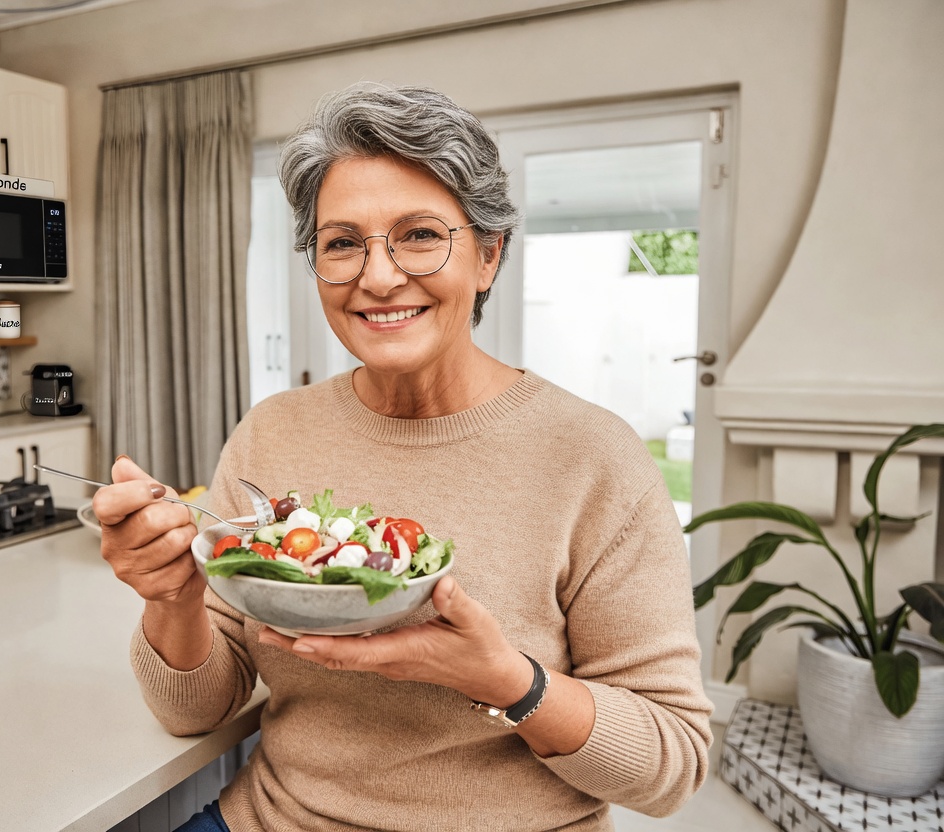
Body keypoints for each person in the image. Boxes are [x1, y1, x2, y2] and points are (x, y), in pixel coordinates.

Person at [94, 84, 713, 832]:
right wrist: (172, 597)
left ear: (488, 256)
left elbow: (670, 767)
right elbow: (197, 713)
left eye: (420, 234)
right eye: (343, 242)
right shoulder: (272, 431)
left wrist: (506, 681)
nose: (378, 277)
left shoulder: (595, 459)